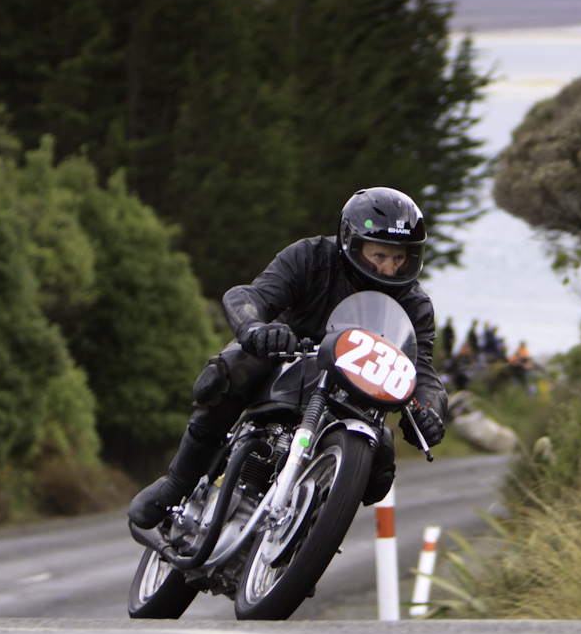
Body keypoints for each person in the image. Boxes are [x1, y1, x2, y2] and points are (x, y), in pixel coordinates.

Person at [129, 187, 449, 529]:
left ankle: (303, 548)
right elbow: (251, 296)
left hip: (356, 397)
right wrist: (256, 329)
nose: (389, 268)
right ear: (352, 244)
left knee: (380, 464)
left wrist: (430, 409)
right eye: (380, 255)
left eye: (399, 258)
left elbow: (422, 370)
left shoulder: (415, 305)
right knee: (225, 374)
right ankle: (176, 485)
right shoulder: (311, 256)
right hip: (288, 359)